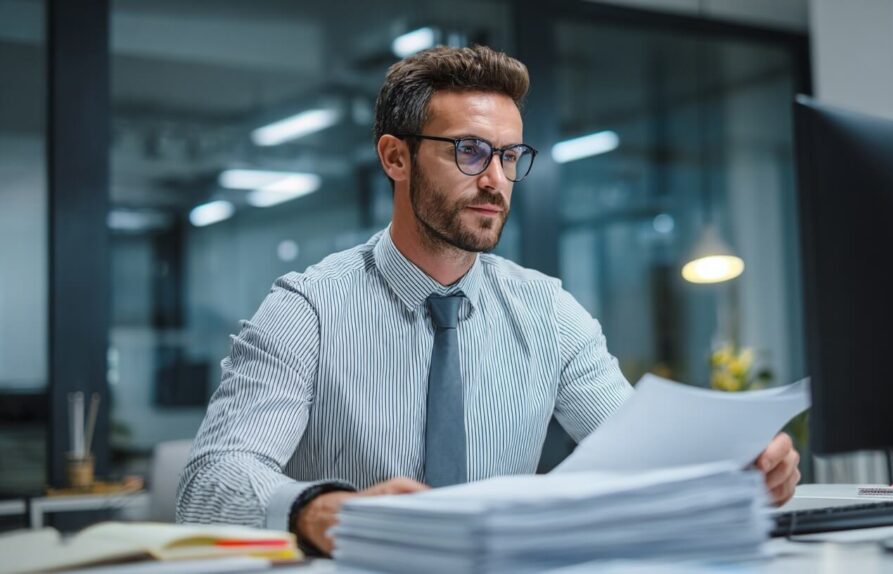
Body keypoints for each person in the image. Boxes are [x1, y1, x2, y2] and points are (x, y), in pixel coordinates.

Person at [177, 45, 800, 555]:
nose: (495, 179)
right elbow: (209, 483)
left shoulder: (546, 312)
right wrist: (318, 510)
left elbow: (641, 454)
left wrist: (733, 473)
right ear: (397, 157)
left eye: (508, 156)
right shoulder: (305, 308)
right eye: (469, 150)